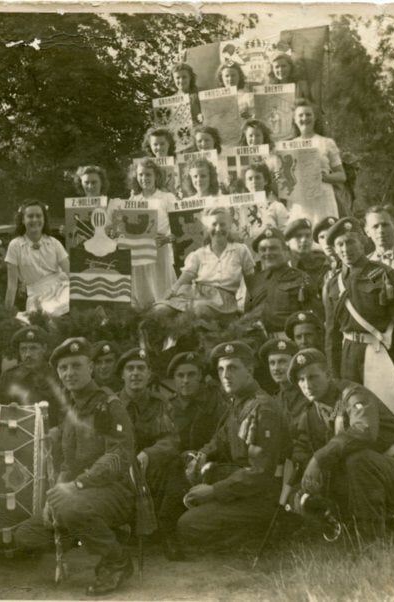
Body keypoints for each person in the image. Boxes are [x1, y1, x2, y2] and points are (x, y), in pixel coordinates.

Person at [9, 338, 137, 596]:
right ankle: (95, 533)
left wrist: (78, 485)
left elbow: (119, 457)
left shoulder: (109, 406)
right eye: (63, 368)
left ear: (91, 367)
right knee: (26, 534)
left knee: (70, 507)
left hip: (115, 492)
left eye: (76, 366)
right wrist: (55, 496)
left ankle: (117, 561)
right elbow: (67, 462)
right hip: (79, 495)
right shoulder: (71, 411)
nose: (70, 373)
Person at [287, 348, 394, 539]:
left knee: (358, 460)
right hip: (363, 480)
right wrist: (302, 489)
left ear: (328, 375)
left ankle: (373, 541)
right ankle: (344, 529)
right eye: (301, 380)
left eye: (313, 377)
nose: (307, 385)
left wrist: (319, 459)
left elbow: (364, 430)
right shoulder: (311, 414)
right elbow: (302, 451)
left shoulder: (350, 395)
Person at [175, 342, 289, 554]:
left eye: (233, 368)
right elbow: (220, 440)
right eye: (221, 369)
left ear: (250, 370)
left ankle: (258, 536)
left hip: (263, 494)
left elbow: (260, 472)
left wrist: (213, 491)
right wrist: (201, 456)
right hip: (244, 487)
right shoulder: (239, 403)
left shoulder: (263, 408)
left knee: (188, 525)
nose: (226, 375)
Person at [322, 218, 394, 416]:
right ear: (335, 250)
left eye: (350, 242)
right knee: (356, 410)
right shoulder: (332, 285)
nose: (346, 249)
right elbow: (332, 333)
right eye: (340, 244)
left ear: (362, 243)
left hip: (381, 350)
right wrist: (334, 372)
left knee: (390, 408)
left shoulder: (382, 273)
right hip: (349, 356)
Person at [155, 351, 225, 559]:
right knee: (173, 471)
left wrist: (202, 454)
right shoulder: (167, 407)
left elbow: (223, 436)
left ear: (201, 377)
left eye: (191, 375)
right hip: (175, 464)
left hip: (210, 461)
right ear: (174, 379)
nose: (185, 380)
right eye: (180, 375)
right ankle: (168, 533)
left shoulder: (215, 404)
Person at [114, 348, 179, 529]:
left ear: (149, 374)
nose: (136, 373)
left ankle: (165, 530)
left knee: (175, 465)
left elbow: (171, 440)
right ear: (122, 375)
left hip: (150, 470)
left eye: (141, 368)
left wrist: (149, 454)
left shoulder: (160, 404)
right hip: (117, 470)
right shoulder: (110, 404)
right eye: (130, 369)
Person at [154, 207, 255, 320]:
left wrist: (251, 308)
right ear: (207, 228)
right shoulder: (199, 254)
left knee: (198, 309)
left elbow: (252, 284)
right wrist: (170, 293)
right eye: (214, 224)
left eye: (222, 224)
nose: (218, 229)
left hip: (224, 302)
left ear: (229, 227)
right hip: (194, 294)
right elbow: (184, 278)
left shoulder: (240, 250)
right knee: (160, 309)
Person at [244, 227, 321, 337]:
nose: (268, 253)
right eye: (263, 249)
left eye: (273, 248)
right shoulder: (254, 281)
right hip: (259, 342)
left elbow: (315, 318)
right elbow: (247, 316)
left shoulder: (301, 278)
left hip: (290, 341)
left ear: (286, 251)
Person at [121, 158, 178, 308]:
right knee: (142, 294)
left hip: (160, 252)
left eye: (148, 175)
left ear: (156, 176)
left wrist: (167, 238)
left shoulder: (167, 197)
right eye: (140, 175)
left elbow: (177, 228)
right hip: (139, 254)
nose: (144, 178)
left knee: (161, 294)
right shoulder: (133, 199)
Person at [4, 201, 70, 317]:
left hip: (62, 291)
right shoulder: (15, 246)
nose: (35, 220)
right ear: (23, 220)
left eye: (39, 216)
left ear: (44, 219)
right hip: (37, 297)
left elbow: (70, 274)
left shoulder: (54, 243)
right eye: (30, 216)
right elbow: (12, 286)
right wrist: (5, 315)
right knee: (43, 316)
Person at [286, 100, 345, 226]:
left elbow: (341, 176)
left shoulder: (326, 142)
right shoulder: (288, 146)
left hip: (323, 198)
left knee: (325, 232)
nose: (304, 118)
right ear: (295, 120)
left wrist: (325, 177)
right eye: (300, 115)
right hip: (299, 200)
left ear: (314, 118)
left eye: (308, 114)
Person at [258, 339, 306, 422]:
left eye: (282, 362)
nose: (276, 368)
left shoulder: (307, 393)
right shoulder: (274, 400)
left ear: (294, 364)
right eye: (272, 363)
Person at [233, 163, 289, 232]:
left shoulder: (277, 207)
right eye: (250, 179)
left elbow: (285, 232)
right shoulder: (240, 208)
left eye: (257, 178)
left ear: (265, 181)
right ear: (245, 183)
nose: (254, 181)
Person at [285, 218, 329, 284]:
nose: (304, 240)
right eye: (298, 236)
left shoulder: (321, 261)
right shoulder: (283, 263)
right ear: (287, 241)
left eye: (308, 236)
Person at [312, 215, 341, 290]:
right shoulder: (319, 268)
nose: (326, 242)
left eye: (331, 236)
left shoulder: (351, 263)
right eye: (322, 237)